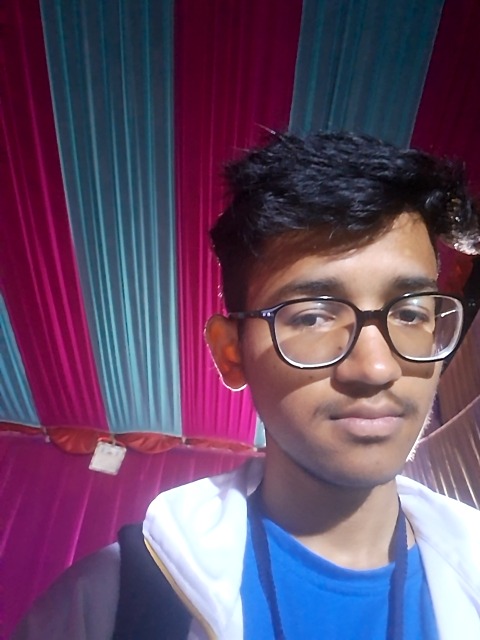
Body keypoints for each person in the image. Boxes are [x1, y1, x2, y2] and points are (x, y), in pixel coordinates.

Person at [13, 131, 480, 640]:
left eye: (410, 313)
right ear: (230, 353)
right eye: (313, 316)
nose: (376, 367)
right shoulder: (107, 607)